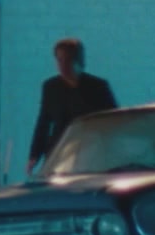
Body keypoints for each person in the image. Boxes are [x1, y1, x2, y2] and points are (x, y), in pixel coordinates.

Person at [26, 37, 117, 176]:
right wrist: (34, 155)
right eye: (59, 60)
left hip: (89, 153)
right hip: (58, 152)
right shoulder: (51, 87)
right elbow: (43, 123)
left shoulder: (98, 87)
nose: (63, 66)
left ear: (78, 61)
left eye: (68, 60)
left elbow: (112, 123)